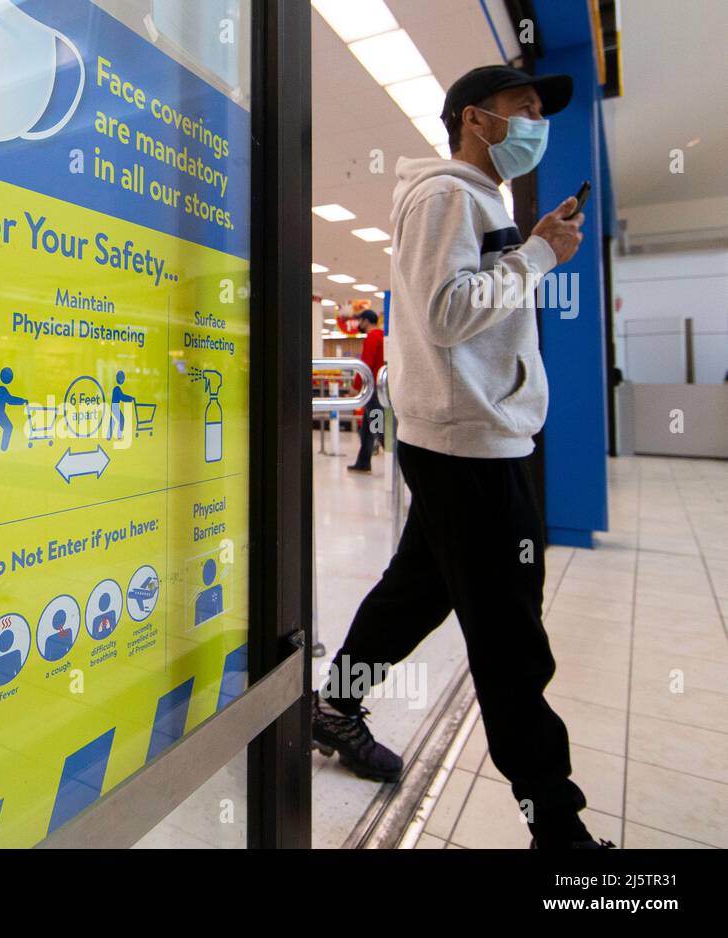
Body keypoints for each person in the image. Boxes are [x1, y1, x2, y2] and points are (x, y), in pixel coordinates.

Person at [312, 65, 613, 849]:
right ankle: (561, 833)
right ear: (477, 120)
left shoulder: (480, 201)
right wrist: (541, 257)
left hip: (472, 440)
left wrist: (534, 246)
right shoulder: (448, 195)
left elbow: (473, 305)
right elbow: (446, 315)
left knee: (418, 590)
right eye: (526, 108)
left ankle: (335, 704)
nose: (537, 120)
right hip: (468, 449)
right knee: (511, 641)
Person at [347, 310, 386, 473]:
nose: (358, 324)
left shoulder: (372, 337)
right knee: (368, 429)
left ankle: (393, 454)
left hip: (374, 391)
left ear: (366, 321)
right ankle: (363, 462)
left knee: (378, 427)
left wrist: (355, 387)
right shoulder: (383, 336)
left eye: (360, 320)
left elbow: (365, 365)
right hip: (380, 389)